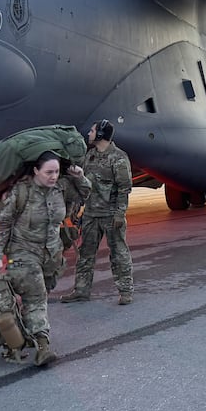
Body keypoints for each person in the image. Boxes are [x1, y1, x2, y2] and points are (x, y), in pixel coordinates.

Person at [0, 152, 88, 366]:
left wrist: (79, 176)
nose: (53, 176)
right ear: (36, 171)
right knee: (36, 297)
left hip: (52, 254)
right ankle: (43, 347)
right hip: (23, 252)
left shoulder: (61, 188)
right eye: (48, 172)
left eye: (56, 172)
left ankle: (13, 342)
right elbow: (2, 224)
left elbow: (85, 193)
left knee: (37, 298)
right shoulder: (20, 192)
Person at [63, 119, 134, 305]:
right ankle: (81, 290)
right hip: (91, 215)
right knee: (85, 254)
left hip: (110, 215)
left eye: (93, 131)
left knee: (118, 253)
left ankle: (125, 291)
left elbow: (124, 187)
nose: (89, 133)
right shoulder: (90, 156)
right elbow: (82, 184)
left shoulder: (118, 157)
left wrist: (120, 213)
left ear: (101, 134)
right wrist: (76, 209)